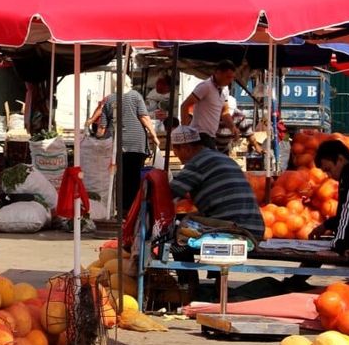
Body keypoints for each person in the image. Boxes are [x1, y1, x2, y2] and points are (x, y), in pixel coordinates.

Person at [169, 125, 265, 238]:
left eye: (175, 150)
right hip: (256, 228)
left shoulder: (197, 162)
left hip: (233, 228)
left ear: (186, 148)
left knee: (178, 229)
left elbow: (169, 193)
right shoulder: (222, 158)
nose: (175, 155)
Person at [97, 74, 161, 213]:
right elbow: (144, 117)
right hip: (136, 142)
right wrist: (153, 135)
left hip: (116, 144)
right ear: (129, 82)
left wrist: (97, 141)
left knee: (119, 177)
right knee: (133, 177)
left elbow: (102, 127)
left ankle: (120, 208)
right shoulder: (135, 96)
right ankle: (132, 209)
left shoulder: (109, 100)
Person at [180, 60, 236, 149]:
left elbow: (224, 112)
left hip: (212, 135)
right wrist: (185, 131)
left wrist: (233, 127)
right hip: (200, 135)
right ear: (218, 73)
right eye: (228, 77)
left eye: (232, 77)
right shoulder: (205, 86)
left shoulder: (224, 89)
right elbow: (185, 105)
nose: (230, 80)